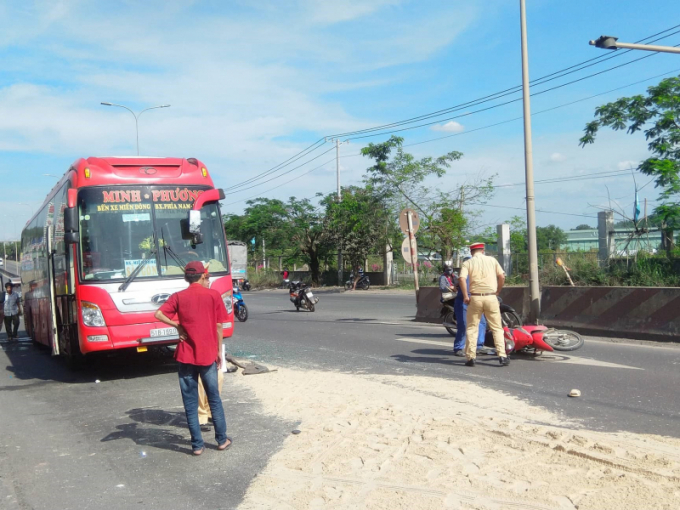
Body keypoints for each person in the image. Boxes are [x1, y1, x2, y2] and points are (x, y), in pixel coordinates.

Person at [154, 261, 232, 455]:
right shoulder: (213, 295)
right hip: (207, 355)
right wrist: (217, 351)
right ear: (203, 275)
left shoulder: (179, 297)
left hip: (185, 356)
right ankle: (221, 440)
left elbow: (158, 314)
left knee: (190, 402)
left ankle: (197, 445)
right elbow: (219, 326)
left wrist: (177, 326)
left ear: (186, 277)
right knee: (214, 398)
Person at [458, 242, 508, 367]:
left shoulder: (467, 263)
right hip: (491, 297)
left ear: (471, 252)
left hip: (475, 297)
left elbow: (461, 279)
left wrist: (465, 295)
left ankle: (470, 357)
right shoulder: (492, 260)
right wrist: (497, 291)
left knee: (472, 328)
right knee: (496, 328)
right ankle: (502, 356)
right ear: (483, 250)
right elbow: (502, 276)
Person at [452, 257, 488, 357]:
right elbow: (457, 284)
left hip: (477, 301)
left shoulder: (479, 273)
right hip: (463, 301)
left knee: (482, 322)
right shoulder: (463, 274)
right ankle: (459, 347)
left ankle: (479, 346)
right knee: (463, 325)